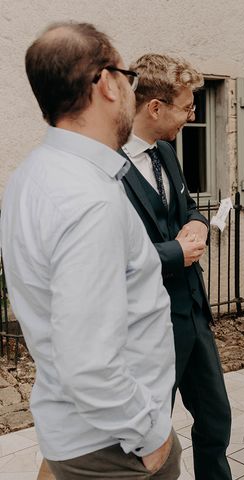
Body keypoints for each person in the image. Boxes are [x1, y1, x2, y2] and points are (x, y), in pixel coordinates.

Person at [0, 23, 181, 479]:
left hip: (79, 432)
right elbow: (90, 362)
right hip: (115, 446)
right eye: (128, 78)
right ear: (105, 83)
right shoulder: (88, 200)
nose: (131, 91)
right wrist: (150, 434)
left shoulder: (31, 175)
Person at [119, 54, 232, 480]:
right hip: (147, 326)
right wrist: (174, 253)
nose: (193, 115)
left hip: (193, 315)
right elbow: (115, 252)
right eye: (187, 106)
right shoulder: (110, 166)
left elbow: (188, 210)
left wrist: (199, 227)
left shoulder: (166, 152)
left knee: (216, 420)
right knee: (149, 438)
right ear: (155, 107)